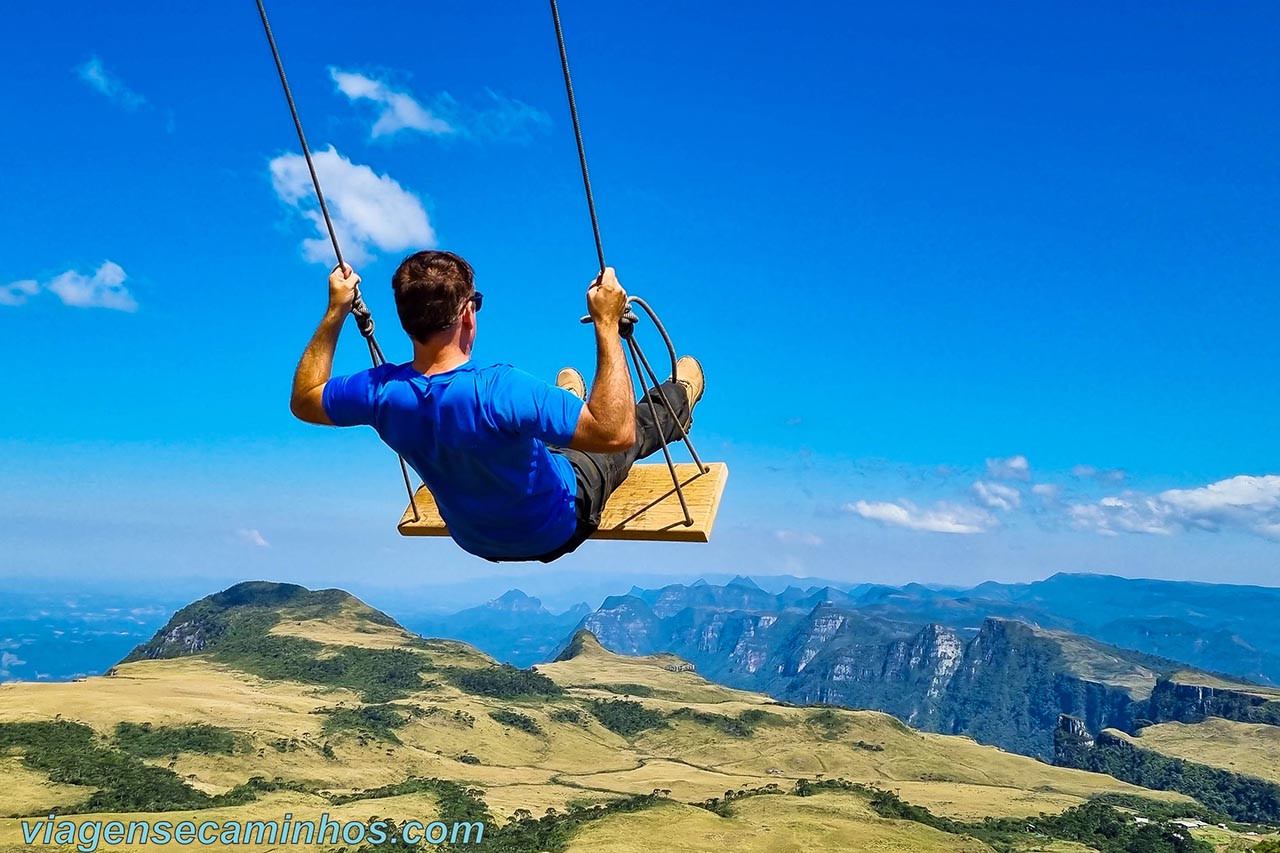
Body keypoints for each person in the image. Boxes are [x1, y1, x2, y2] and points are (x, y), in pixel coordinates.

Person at [289, 250, 705, 562]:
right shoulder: (499, 389)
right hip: (554, 528)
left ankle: (567, 405)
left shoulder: (380, 393)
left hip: (474, 539)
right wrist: (607, 324)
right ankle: (680, 396)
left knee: (531, 434)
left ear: (405, 319)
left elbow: (305, 400)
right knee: (615, 444)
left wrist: (335, 311)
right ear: (468, 313)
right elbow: (615, 433)